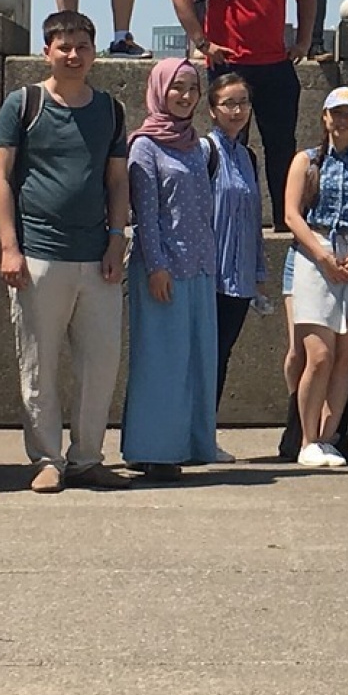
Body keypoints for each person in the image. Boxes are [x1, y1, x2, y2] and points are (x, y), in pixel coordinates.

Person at [0, 10, 131, 494]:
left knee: (100, 365)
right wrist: (10, 247)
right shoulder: (23, 104)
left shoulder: (110, 109)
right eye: (64, 46)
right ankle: (46, 458)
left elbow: (117, 181)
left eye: (83, 46)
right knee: (39, 364)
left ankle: (87, 458)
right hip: (40, 254)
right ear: (46, 51)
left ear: (95, 52)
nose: (74, 55)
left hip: (97, 255)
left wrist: (117, 239)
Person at [169, 0, 315, 232]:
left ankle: (286, 225)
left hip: (276, 65)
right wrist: (202, 41)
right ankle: (230, 225)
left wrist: (303, 41)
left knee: (282, 148)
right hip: (231, 66)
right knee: (231, 149)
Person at [121, 59, 218, 481]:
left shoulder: (197, 145)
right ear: (160, 89)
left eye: (192, 88)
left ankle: (187, 443)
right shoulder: (144, 145)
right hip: (162, 268)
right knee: (160, 361)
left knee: (194, 360)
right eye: (177, 87)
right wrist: (156, 265)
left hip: (199, 267)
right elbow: (145, 213)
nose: (185, 96)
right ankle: (153, 450)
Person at [281, 87, 348, 469]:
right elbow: (291, 214)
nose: (342, 121)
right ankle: (307, 438)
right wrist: (322, 254)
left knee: (344, 356)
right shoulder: (306, 160)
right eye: (336, 113)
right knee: (319, 355)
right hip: (315, 247)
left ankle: (328, 436)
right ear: (324, 117)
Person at [203, 73, 269, 460]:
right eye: (228, 103)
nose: (237, 110)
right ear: (213, 110)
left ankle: (205, 434)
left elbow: (254, 219)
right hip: (208, 275)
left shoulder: (248, 157)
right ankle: (190, 435)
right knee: (202, 358)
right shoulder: (204, 151)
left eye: (243, 102)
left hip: (239, 277)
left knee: (221, 357)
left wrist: (258, 273)